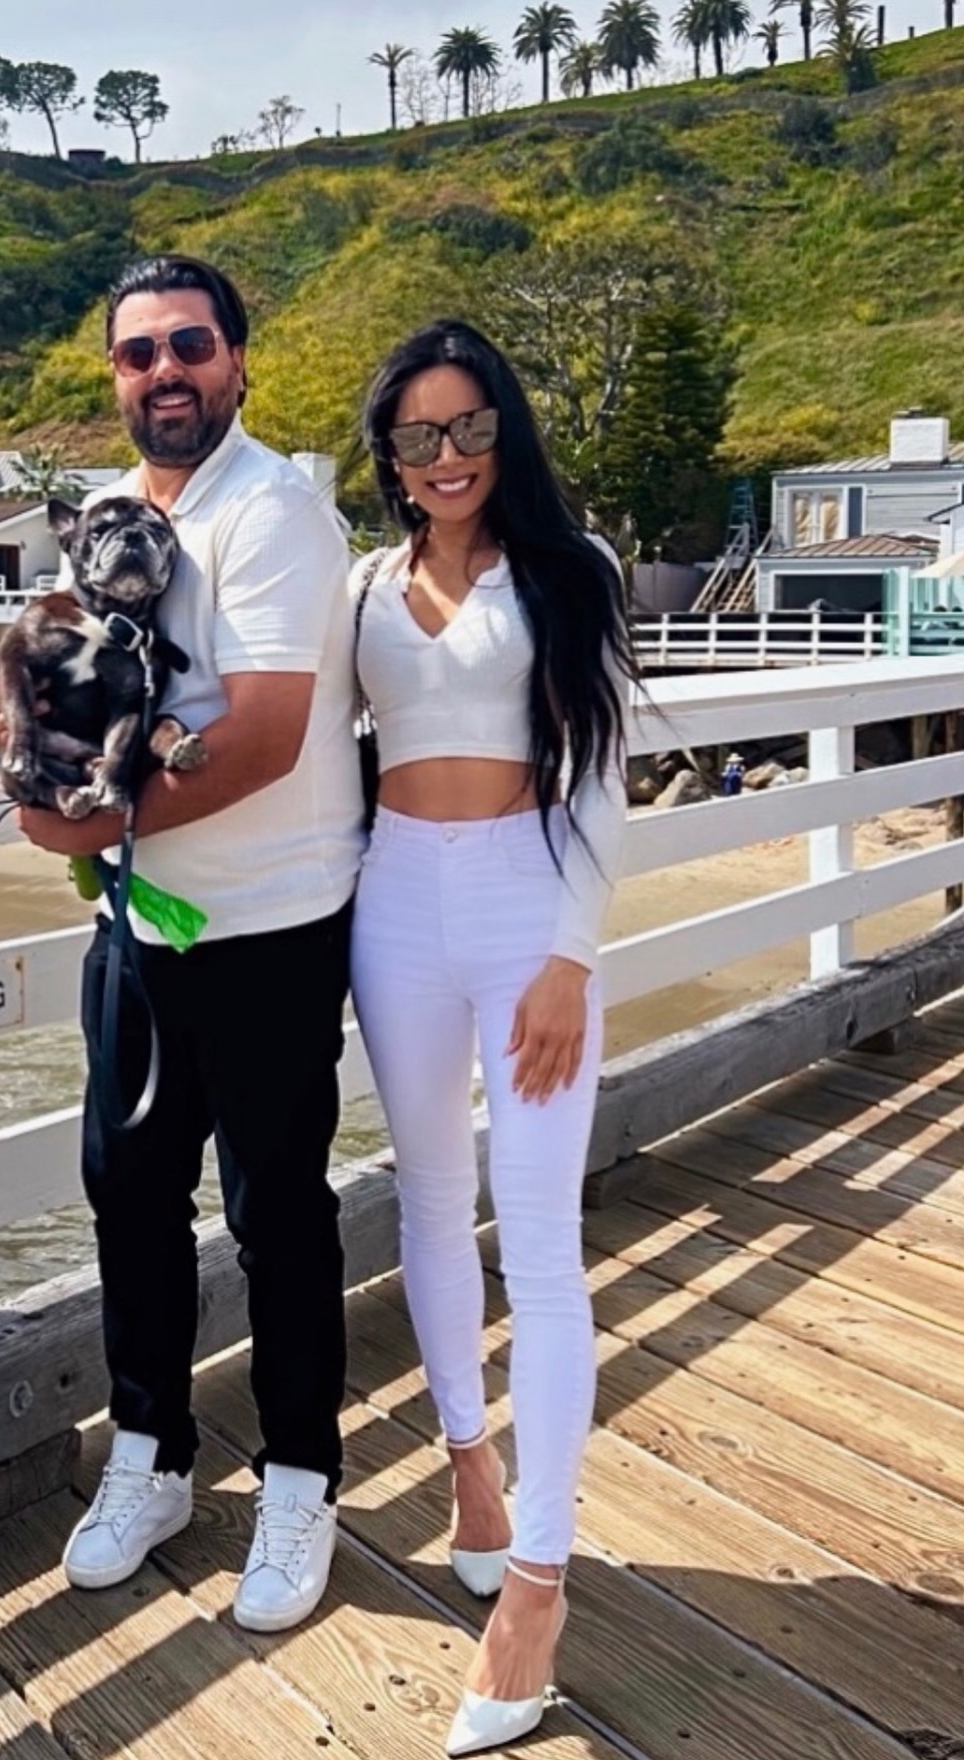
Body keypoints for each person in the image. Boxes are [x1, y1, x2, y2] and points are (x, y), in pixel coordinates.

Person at [0, 255, 364, 1633]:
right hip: (138, 929)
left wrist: (77, 822)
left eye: (190, 346)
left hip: (268, 926)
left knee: (276, 1211)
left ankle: (301, 1479)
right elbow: (48, 670)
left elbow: (263, 734)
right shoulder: (109, 514)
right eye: (139, 353)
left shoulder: (275, 513)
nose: (166, 372)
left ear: (238, 361)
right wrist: (7, 717)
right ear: (116, 378)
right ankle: (150, 1455)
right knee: (129, 1194)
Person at [348, 320, 635, 1756]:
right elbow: (261, 717)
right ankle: (471, 1468)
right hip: (394, 904)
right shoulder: (361, 589)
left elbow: (606, 770)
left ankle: (538, 1582)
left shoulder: (572, 573)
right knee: (429, 1196)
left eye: (470, 427)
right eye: (420, 436)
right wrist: (27, 686)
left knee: (540, 1238)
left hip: (529, 907)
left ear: (504, 434)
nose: (448, 456)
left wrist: (572, 958)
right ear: (391, 458)